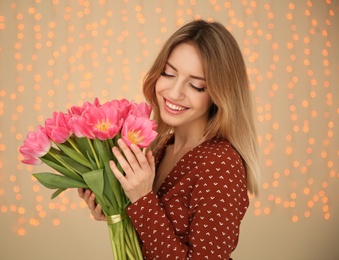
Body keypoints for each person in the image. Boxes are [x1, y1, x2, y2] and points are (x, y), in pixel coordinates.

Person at [79, 19, 261, 259]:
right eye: (168, 73)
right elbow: (150, 240)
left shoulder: (221, 165)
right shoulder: (159, 147)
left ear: (220, 95)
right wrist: (114, 210)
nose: (174, 93)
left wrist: (143, 201)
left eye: (196, 86)